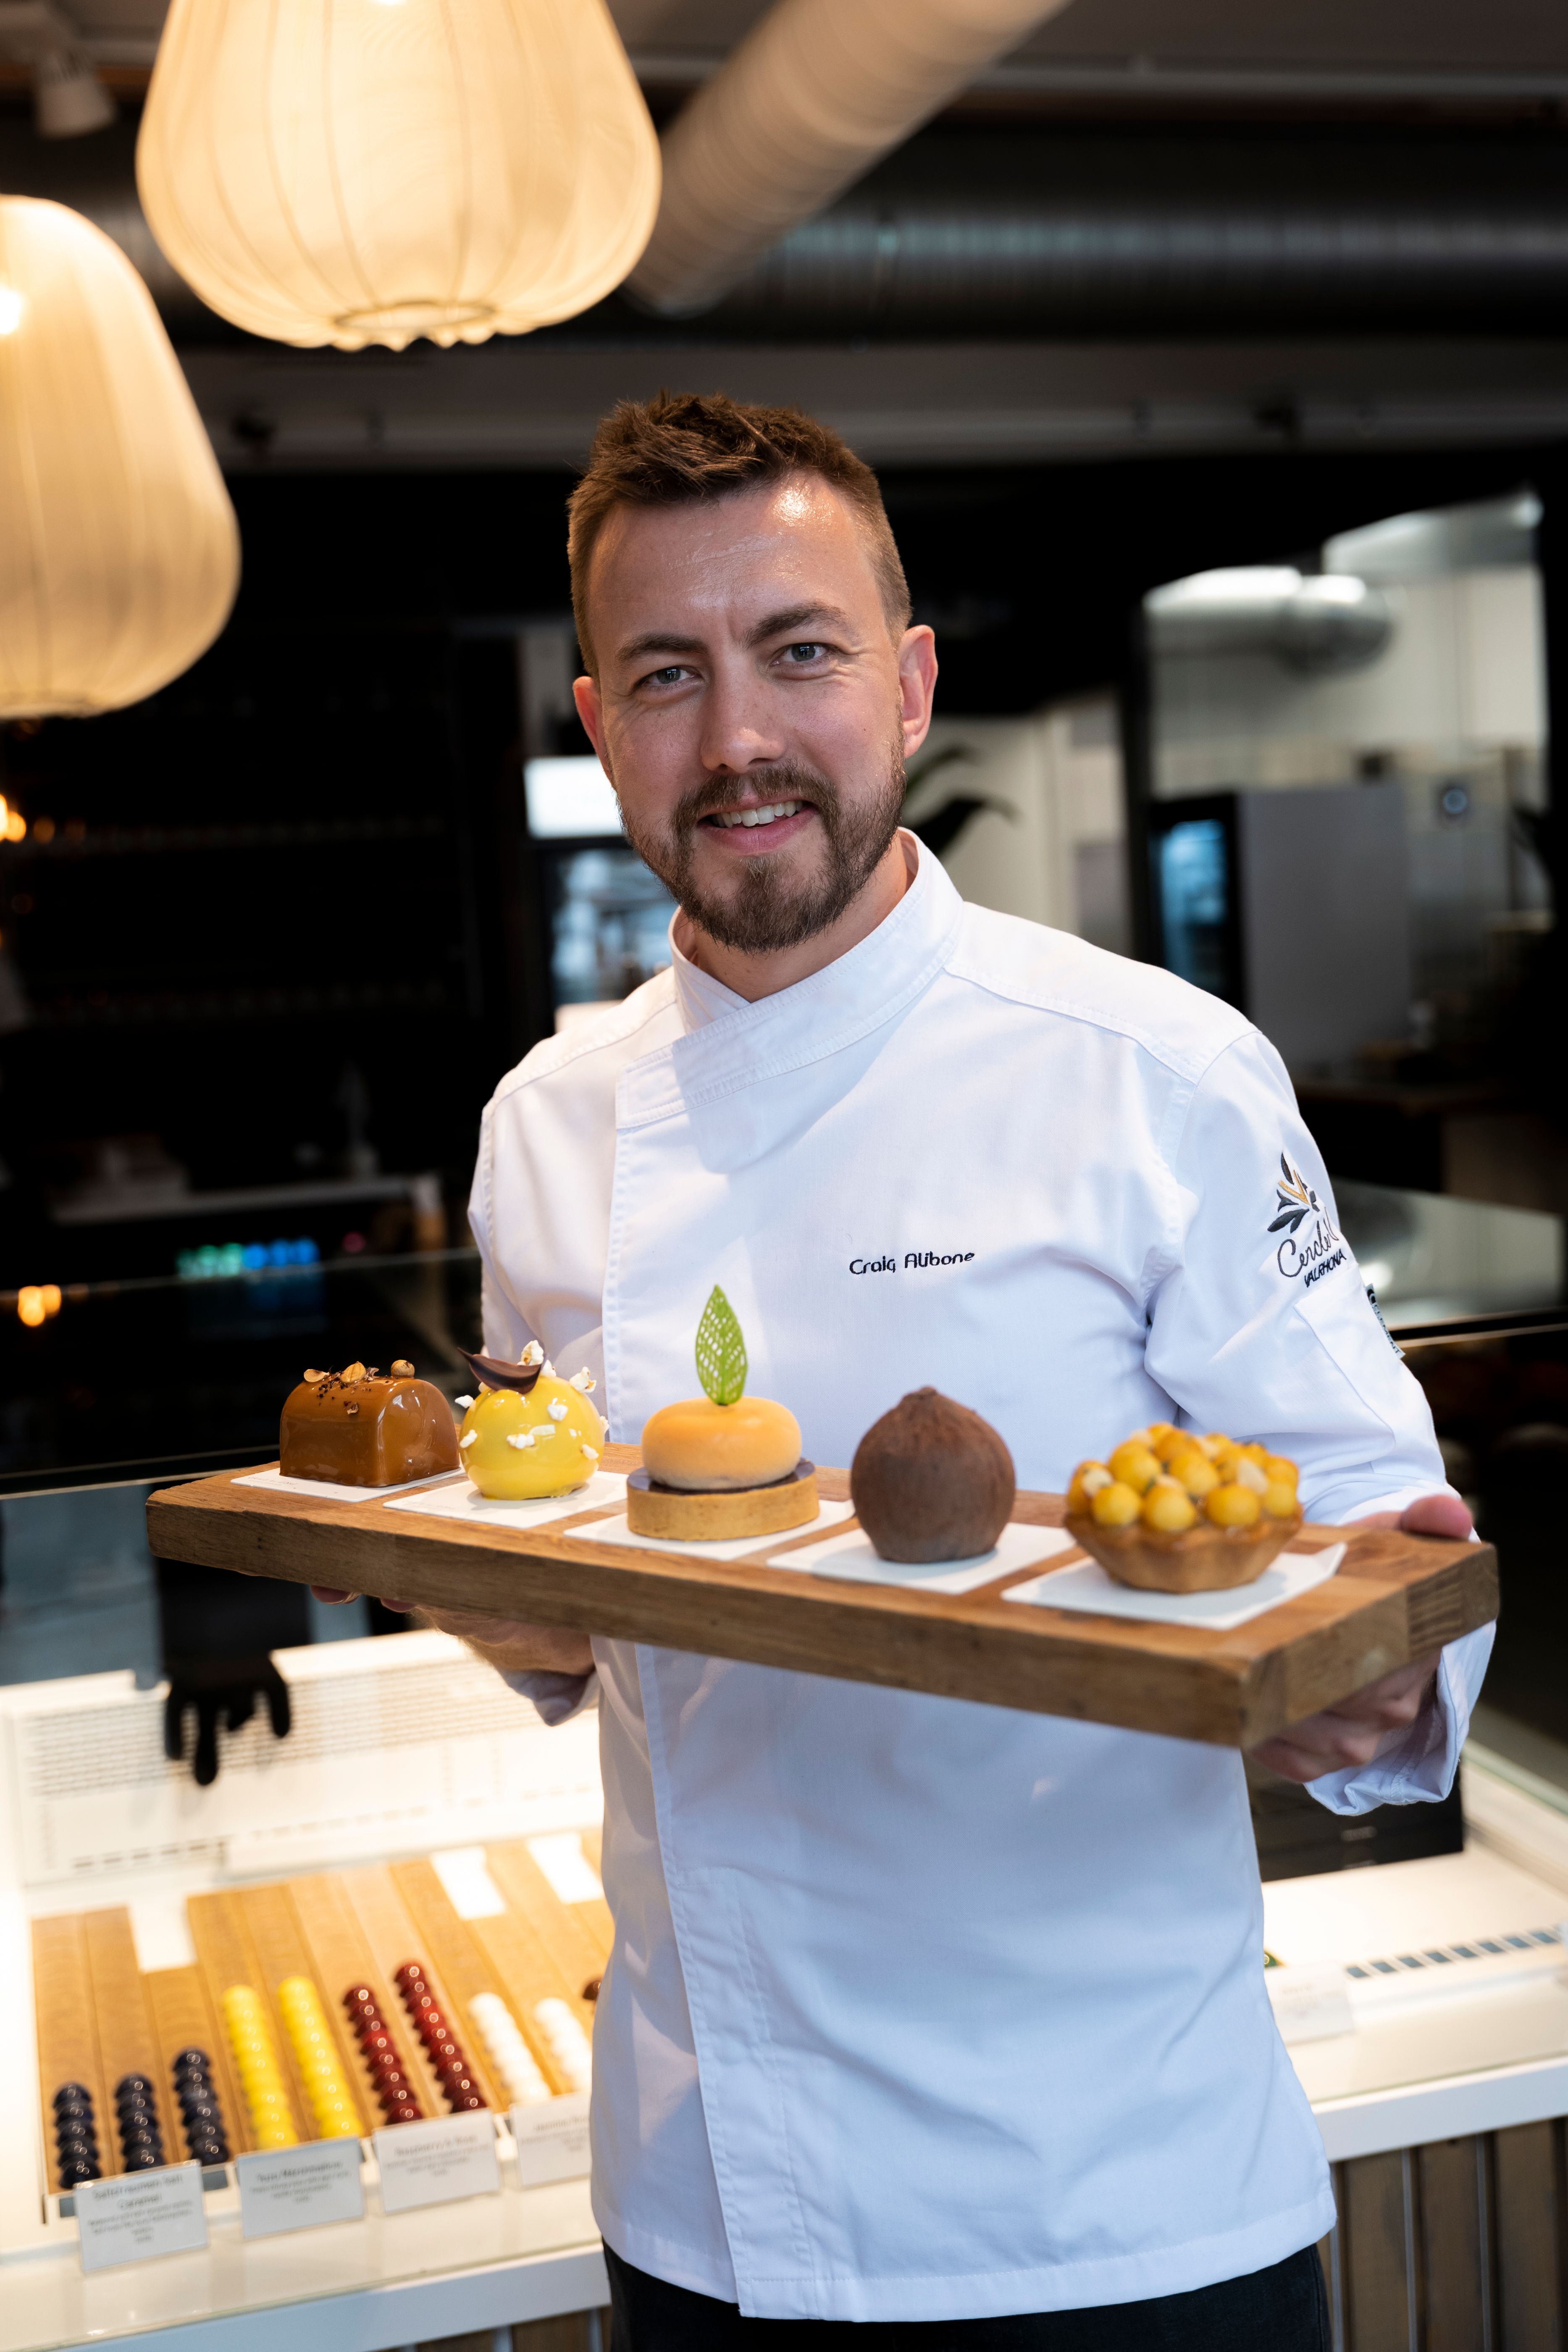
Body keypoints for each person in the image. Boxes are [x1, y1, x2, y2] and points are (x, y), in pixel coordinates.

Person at [318, 393, 1489, 2348]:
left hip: (1108, 2199)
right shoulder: (548, 1124)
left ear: (911, 682)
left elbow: (1373, 1541)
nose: (738, 738)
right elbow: (573, 1603)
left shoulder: (1151, 1074)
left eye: (800, 650)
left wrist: (1377, 1681)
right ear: (598, 723)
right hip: (699, 2197)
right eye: (667, 674)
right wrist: (498, 1603)